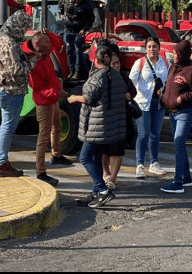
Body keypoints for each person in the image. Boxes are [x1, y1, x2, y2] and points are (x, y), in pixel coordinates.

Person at [68, 46, 127, 208]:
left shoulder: (97, 77)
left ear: (96, 60)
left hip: (96, 127)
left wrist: (74, 98)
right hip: (110, 126)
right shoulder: (116, 75)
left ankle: (102, 190)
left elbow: (88, 97)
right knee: (96, 158)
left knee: (85, 157)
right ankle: (95, 193)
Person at [0, 10, 41, 178]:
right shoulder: (7, 42)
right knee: (9, 126)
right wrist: (34, 60)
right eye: (23, 27)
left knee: (4, 125)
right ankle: (1, 164)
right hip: (11, 89)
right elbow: (15, 68)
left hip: (4, 88)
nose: (23, 31)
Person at [23, 30, 74, 186]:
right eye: (46, 46)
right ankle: (41, 171)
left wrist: (49, 33)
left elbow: (58, 44)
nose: (49, 48)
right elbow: (37, 88)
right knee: (43, 137)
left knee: (57, 126)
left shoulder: (43, 53)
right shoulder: (34, 62)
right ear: (38, 46)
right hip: (44, 101)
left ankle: (56, 155)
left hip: (52, 98)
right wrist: (57, 92)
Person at [159, 39, 192, 193]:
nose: (173, 56)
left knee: (178, 142)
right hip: (172, 113)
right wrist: (164, 95)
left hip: (184, 113)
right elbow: (171, 86)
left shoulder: (191, 71)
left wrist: (182, 98)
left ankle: (177, 182)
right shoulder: (173, 67)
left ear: (183, 55)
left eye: (176, 53)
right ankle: (186, 178)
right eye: (173, 53)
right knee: (179, 145)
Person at [129, 36, 170, 179]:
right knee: (143, 134)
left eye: (154, 46)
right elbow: (131, 82)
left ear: (159, 48)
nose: (152, 49)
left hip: (158, 103)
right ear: (145, 49)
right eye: (149, 47)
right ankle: (139, 165)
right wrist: (130, 98)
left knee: (155, 135)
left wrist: (164, 91)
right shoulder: (139, 63)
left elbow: (169, 81)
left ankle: (154, 164)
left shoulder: (165, 63)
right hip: (142, 104)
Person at [102, 43, 137, 191]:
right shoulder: (103, 77)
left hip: (122, 119)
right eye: (113, 63)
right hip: (106, 119)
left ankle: (113, 178)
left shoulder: (123, 77)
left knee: (117, 150)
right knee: (104, 150)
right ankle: (105, 173)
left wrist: (130, 94)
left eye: (118, 63)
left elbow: (133, 89)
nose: (116, 65)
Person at [58, 0, 95, 79]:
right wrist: (61, 13)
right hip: (68, 28)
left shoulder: (87, 3)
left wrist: (85, 29)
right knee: (69, 50)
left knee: (78, 50)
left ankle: (77, 72)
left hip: (80, 30)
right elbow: (60, 4)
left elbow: (91, 18)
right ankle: (71, 71)